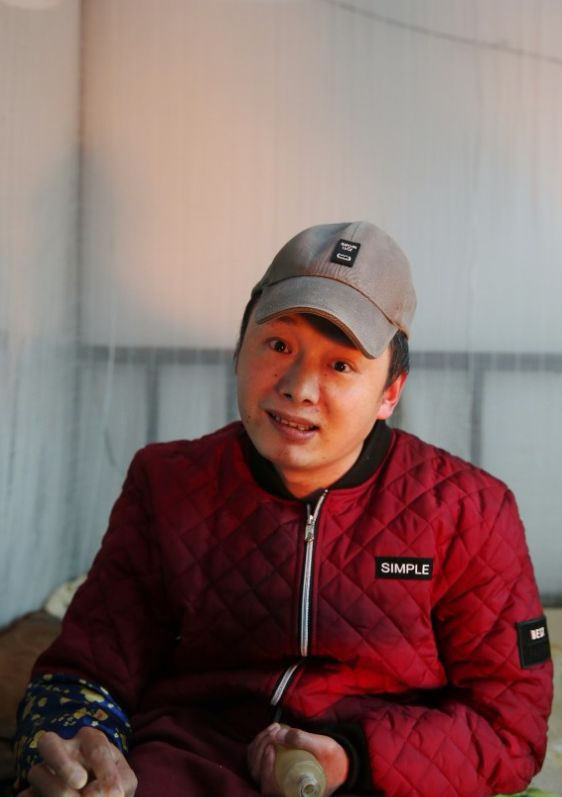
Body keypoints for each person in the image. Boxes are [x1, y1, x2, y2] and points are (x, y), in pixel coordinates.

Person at [13, 222, 552, 797]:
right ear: (239, 348)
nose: (298, 387)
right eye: (278, 346)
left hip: (379, 778)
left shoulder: (471, 512)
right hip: (192, 759)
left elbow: (510, 729)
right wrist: (76, 740)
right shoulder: (166, 484)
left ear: (390, 392)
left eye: (340, 365)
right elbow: (82, 673)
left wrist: (353, 759)